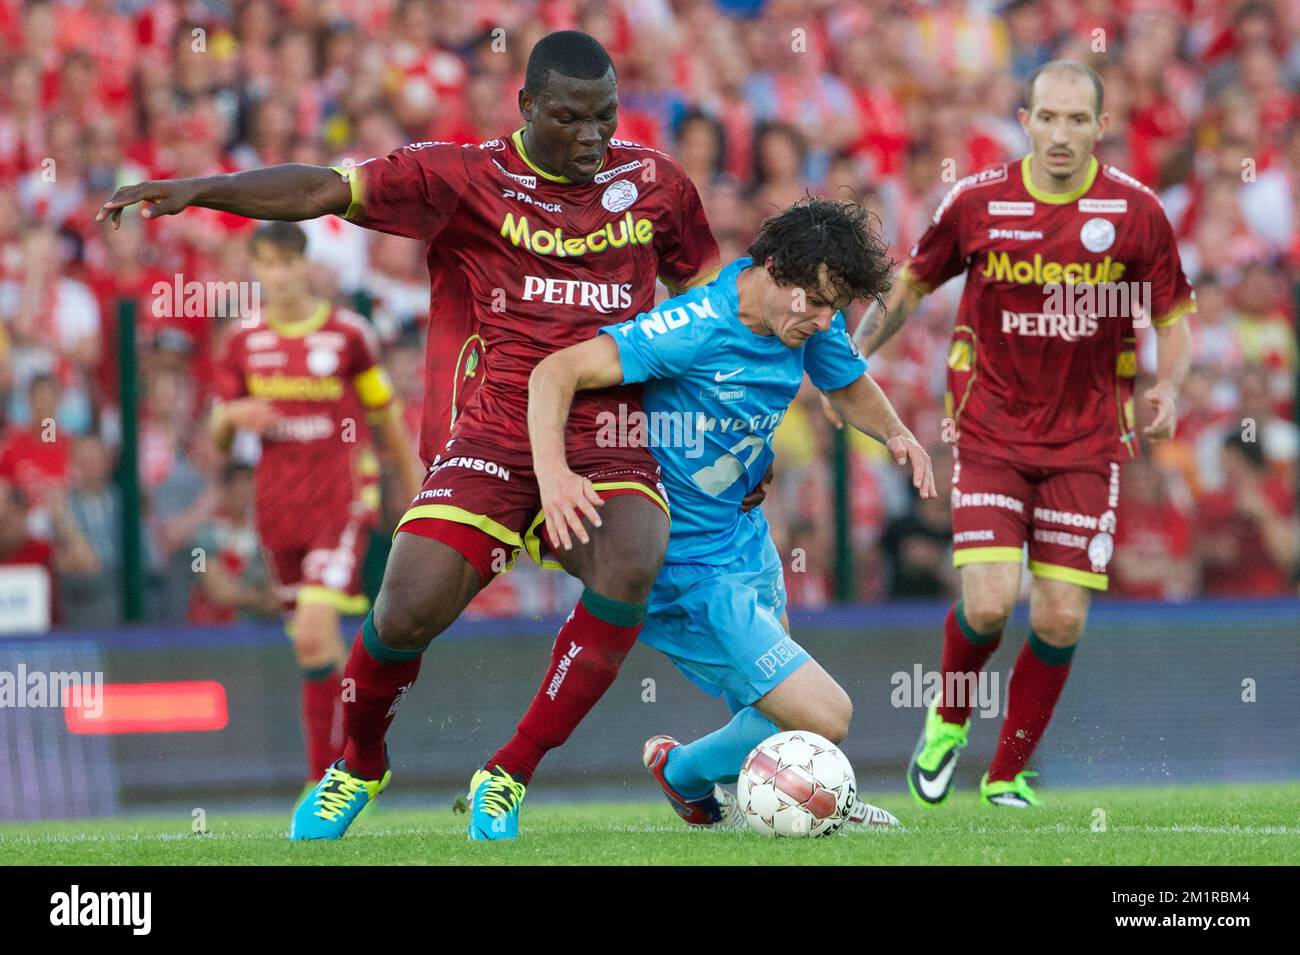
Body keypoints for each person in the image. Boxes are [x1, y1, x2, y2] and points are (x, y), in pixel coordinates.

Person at [99, 31, 724, 840]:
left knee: (634, 558)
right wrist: (204, 188)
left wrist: (726, 425)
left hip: (606, 431)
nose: (592, 137)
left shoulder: (654, 185)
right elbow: (325, 187)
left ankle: (509, 771)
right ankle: (357, 763)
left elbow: (708, 298)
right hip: (495, 431)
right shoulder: (463, 178)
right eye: (570, 118)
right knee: (402, 612)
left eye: (605, 118)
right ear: (527, 106)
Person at [511, 198, 932, 834]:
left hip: (744, 537)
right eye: (814, 303)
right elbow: (555, 372)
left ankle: (778, 802)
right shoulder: (693, 325)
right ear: (775, 269)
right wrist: (553, 475)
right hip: (685, 566)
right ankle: (684, 772)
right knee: (822, 716)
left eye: (833, 308)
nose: (823, 321)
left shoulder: (807, 319)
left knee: (763, 706)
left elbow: (845, 382)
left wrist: (896, 433)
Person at [852, 61, 1195, 808]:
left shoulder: (1136, 212)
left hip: (1089, 438)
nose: (1062, 133)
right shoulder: (977, 202)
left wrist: (1167, 385)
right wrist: (851, 359)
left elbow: (1175, 318)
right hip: (991, 429)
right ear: (1025, 119)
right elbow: (910, 282)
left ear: (1101, 127)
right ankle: (947, 719)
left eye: (1078, 119)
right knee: (986, 603)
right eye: (1049, 117)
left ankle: (1006, 772)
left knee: (1062, 613)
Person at [210, 221, 424, 788]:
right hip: (279, 507)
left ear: (305, 265)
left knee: (311, 632)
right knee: (316, 645)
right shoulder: (242, 341)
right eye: (266, 265)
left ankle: (322, 782)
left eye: (286, 263)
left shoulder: (347, 335)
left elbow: (385, 420)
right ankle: (351, 766)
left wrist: (417, 488)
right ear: (255, 270)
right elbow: (220, 435)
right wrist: (232, 417)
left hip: (343, 498)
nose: (277, 276)